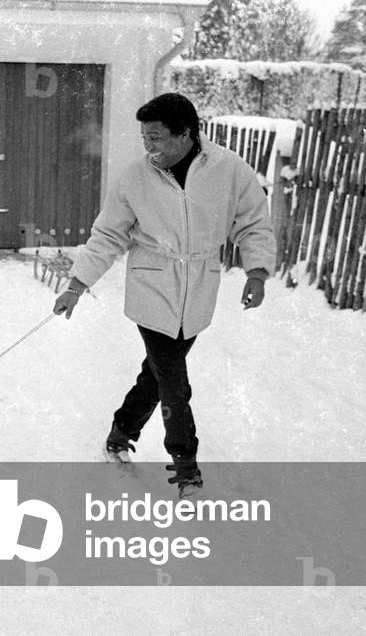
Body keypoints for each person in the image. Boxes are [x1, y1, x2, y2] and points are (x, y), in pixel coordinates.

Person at [53, 92, 276, 497]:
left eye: (155, 138)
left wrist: (256, 272)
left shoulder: (229, 170)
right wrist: (77, 284)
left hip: (199, 288)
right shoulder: (136, 177)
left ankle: (121, 432)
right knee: (174, 380)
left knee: (157, 375)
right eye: (144, 138)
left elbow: (254, 222)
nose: (148, 146)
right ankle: (186, 467)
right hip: (152, 286)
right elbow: (108, 234)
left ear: (185, 134)